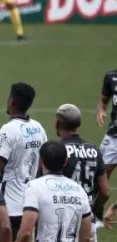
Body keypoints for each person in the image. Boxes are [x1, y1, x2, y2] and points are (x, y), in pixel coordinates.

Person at [0, 82, 47, 241]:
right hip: (30, 204)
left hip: (8, 206)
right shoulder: (39, 128)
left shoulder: (8, 130)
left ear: (11, 101)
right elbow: (42, 167)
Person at [16, 141, 92, 242]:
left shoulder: (34, 187)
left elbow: (26, 232)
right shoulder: (80, 190)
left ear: (41, 161)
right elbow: (86, 237)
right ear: (66, 162)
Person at [56, 103, 110, 241]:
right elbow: (104, 192)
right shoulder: (94, 150)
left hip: (62, 218)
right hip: (87, 219)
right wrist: (92, 210)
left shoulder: (57, 150)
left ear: (58, 124)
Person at [96, 69, 117, 179]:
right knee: (99, 171)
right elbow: (104, 100)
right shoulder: (111, 76)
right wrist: (101, 110)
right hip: (114, 135)